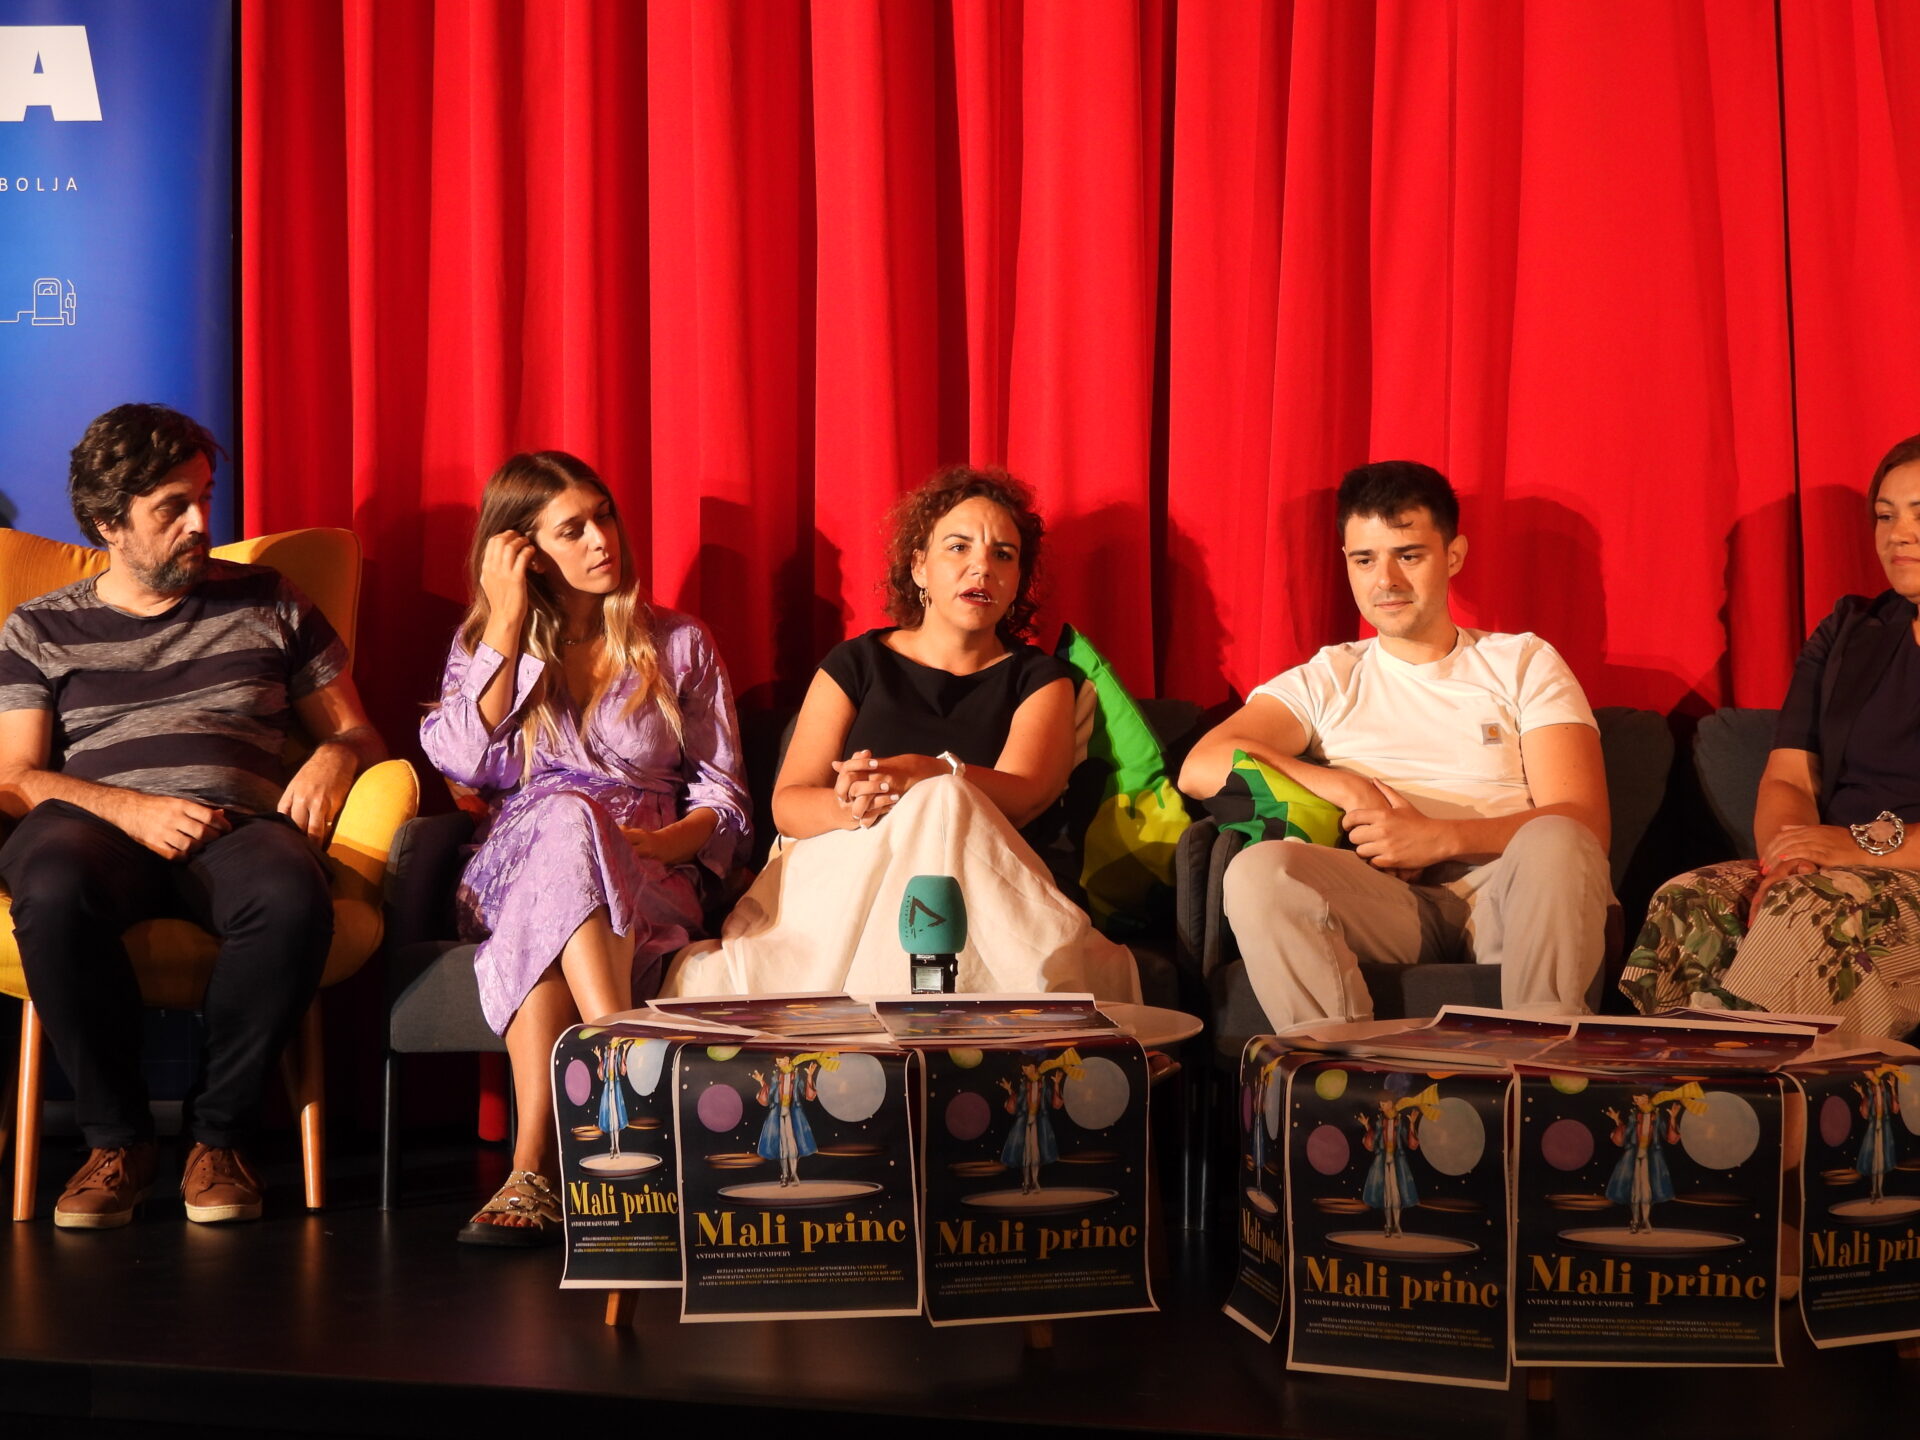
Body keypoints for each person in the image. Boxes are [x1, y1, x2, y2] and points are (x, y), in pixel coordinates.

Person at [0, 403, 386, 1228]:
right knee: (53, 888)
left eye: (205, 497)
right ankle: (117, 1143)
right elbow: (16, 776)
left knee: (290, 897)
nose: (202, 524)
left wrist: (336, 754)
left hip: (235, 827)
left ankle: (219, 1138)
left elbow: (357, 731)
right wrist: (130, 810)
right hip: (92, 831)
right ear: (109, 522)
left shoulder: (270, 599)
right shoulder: (39, 627)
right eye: (172, 507)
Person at [420, 450, 750, 1245]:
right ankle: (628, 1071)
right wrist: (505, 623)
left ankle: (531, 1168)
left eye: (605, 516)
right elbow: (462, 759)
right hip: (513, 864)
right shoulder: (486, 646)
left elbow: (726, 800)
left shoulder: (679, 642)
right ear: (524, 552)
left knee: (558, 898)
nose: (603, 539)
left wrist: (660, 841)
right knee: (568, 818)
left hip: (648, 872)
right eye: (573, 529)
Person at [662, 466, 1139, 1002]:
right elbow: (789, 804)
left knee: (943, 800)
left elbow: (1028, 793)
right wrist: (857, 804)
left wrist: (928, 774)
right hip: (853, 878)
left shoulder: (1041, 678)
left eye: (1003, 555)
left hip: (984, 895)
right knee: (931, 803)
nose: (981, 566)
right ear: (919, 568)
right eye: (958, 547)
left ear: (1016, 582)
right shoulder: (856, 663)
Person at [1179, 460, 1612, 1033]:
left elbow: (1586, 823)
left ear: (1453, 555)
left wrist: (1438, 837)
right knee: (1259, 870)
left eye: (1408, 555)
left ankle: (1540, 1064)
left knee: (1559, 839)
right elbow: (1200, 767)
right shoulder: (1329, 677)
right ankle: (1337, 1070)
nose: (1386, 580)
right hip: (1383, 900)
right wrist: (1347, 787)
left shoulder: (1523, 662)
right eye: (1365, 559)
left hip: (1508, 895)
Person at [1622, 436, 1920, 1040]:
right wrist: (1791, 861)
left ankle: (1757, 1085)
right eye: (1885, 516)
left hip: (1891, 868)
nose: (1898, 535)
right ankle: (1674, 1078)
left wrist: (1857, 848)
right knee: (1691, 898)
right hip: (1827, 866)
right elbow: (1788, 777)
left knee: (1811, 909)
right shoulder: (1850, 630)